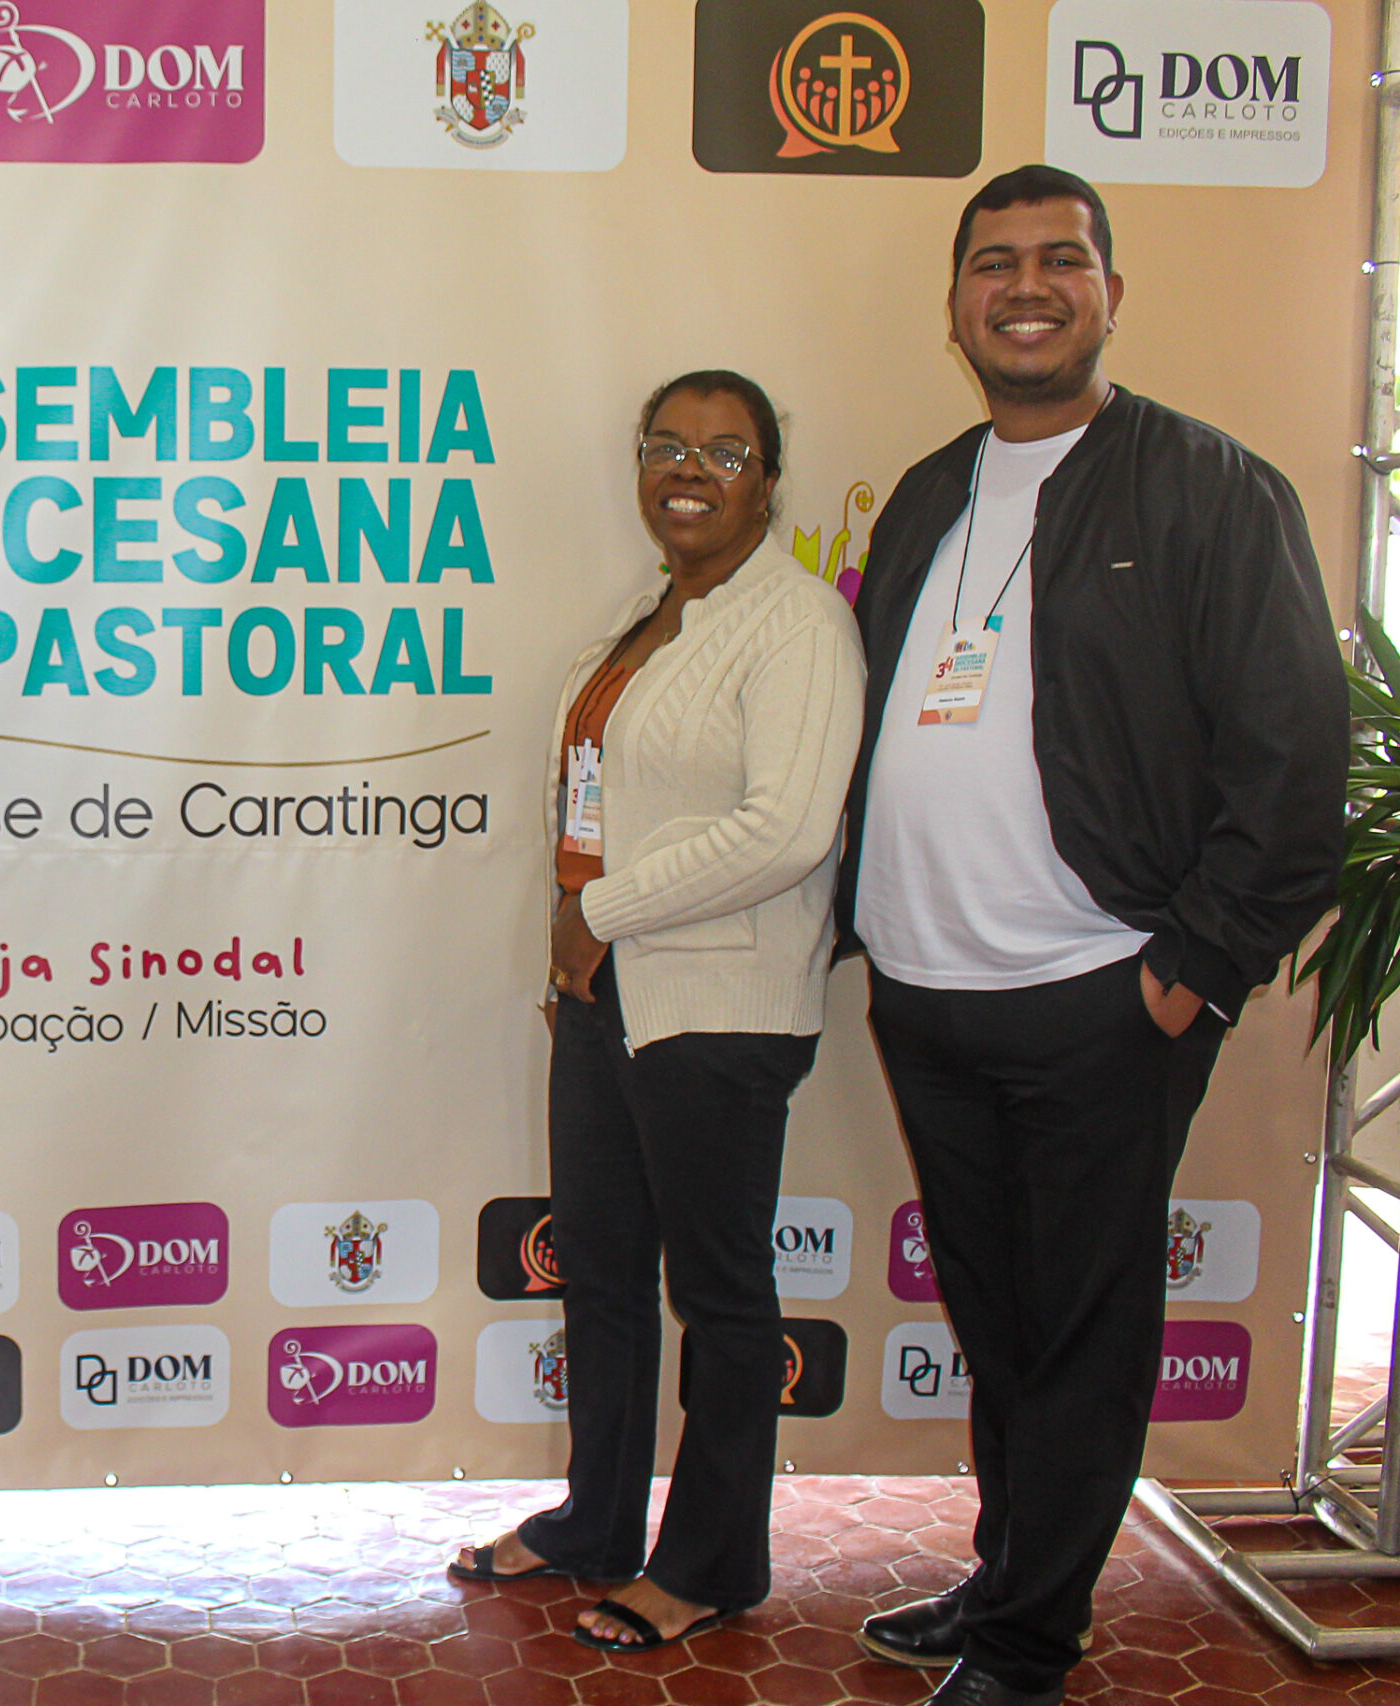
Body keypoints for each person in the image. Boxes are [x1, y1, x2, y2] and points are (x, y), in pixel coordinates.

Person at [840, 166, 1345, 1706]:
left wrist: (1191, 970)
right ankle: (1011, 1573)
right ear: (955, 307)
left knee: (1084, 1328)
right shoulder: (930, 491)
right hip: (928, 990)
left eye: (1062, 260)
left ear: (1112, 294)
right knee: (1000, 1320)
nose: (1027, 287)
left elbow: (1293, 762)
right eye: (994, 263)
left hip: (1101, 996)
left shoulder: (1213, 489)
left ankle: (1028, 1644)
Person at [450, 372, 864, 1652]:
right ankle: (596, 1521)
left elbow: (787, 829)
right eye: (666, 446)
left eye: (724, 453)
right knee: (605, 1276)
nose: (689, 470)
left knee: (723, 1298)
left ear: (769, 481)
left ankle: (710, 1561)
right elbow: (598, 808)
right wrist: (576, 949)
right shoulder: (646, 618)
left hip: (718, 1009)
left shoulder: (798, 623)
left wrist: (605, 909)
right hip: (604, 994)